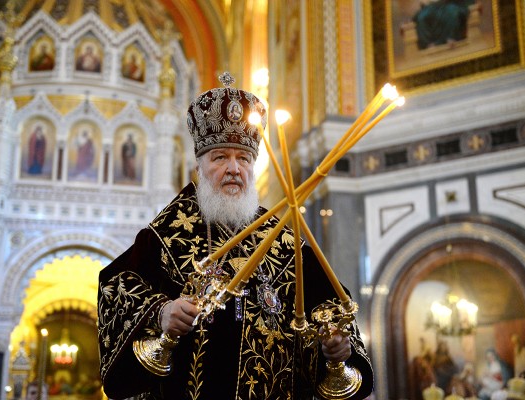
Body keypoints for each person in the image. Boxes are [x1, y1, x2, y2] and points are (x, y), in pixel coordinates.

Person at [97, 73, 373, 399]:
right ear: (199, 167)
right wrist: (162, 312)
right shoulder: (165, 235)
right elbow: (116, 287)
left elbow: (333, 311)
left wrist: (336, 348)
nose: (234, 168)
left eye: (243, 158)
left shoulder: (287, 244)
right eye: (220, 157)